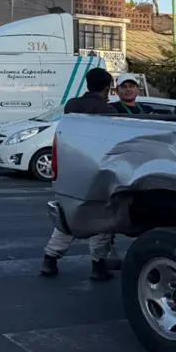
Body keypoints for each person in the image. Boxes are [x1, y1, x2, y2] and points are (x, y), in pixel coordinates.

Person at [41, 67, 121, 281]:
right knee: (101, 220)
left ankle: (50, 258)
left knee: (69, 217)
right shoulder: (109, 112)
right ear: (107, 89)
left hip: (72, 168)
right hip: (98, 171)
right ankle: (97, 265)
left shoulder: (72, 105)